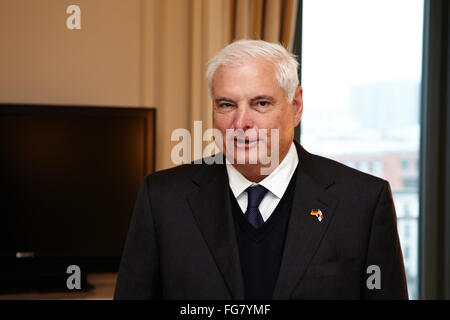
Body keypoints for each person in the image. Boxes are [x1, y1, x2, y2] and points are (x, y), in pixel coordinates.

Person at [114, 39, 408, 300]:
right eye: (227, 104)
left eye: (261, 103)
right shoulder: (163, 199)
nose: (241, 122)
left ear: (296, 106)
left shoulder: (362, 203)